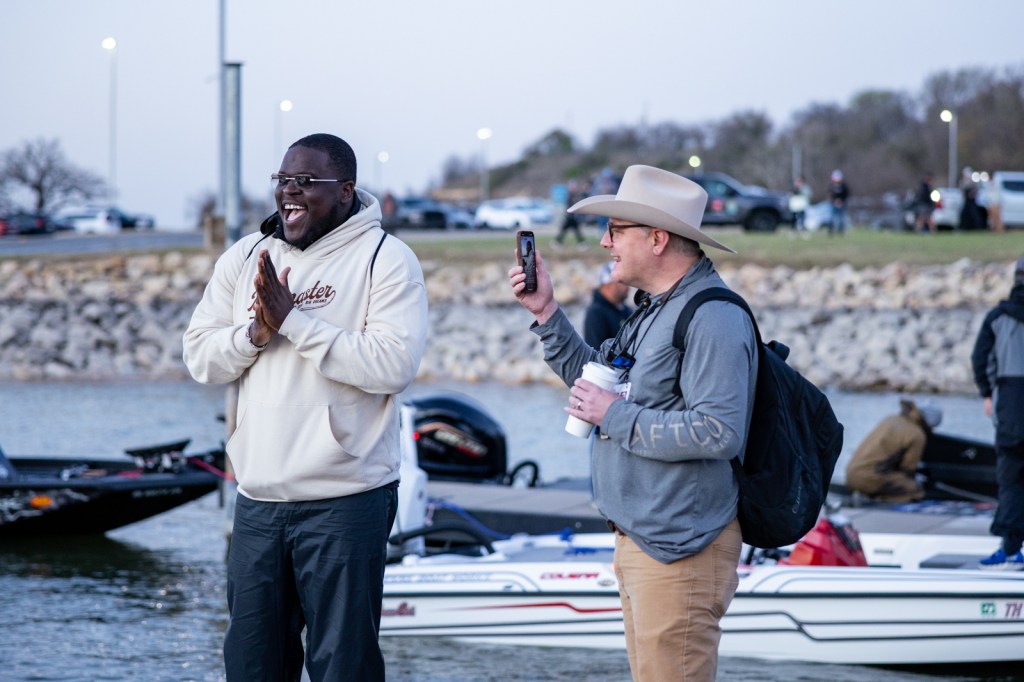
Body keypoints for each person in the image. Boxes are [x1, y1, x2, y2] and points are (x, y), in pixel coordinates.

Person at [182, 133, 429, 680]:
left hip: (347, 501)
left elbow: (393, 365)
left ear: (345, 190)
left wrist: (294, 322)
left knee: (343, 667)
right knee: (252, 666)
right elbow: (200, 358)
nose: (289, 190)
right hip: (258, 501)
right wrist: (254, 333)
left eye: (305, 181)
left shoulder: (385, 258)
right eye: (283, 180)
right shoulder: (245, 256)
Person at [509, 164, 757, 681]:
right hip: (645, 542)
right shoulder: (653, 309)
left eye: (615, 230)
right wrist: (546, 312)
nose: (605, 243)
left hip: (680, 551)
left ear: (657, 239)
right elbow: (595, 382)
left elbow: (719, 431)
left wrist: (613, 415)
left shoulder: (713, 316)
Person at [970, 256, 1024, 570]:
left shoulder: (997, 318)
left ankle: (1010, 548)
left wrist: (987, 393)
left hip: (1011, 407)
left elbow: (980, 359)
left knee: (1012, 478)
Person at [844, 399, 943, 503]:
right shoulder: (917, 434)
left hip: (851, 474)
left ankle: (866, 493)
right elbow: (908, 470)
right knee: (915, 489)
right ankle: (876, 500)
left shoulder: (891, 419)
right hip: (868, 479)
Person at [583, 261, 633, 347]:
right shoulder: (595, 313)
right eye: (623, 282)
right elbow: (595, 349)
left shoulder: (626, 310)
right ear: (608, 284)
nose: (628, 287)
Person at [553, 180, 588, 249]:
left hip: (573, 217)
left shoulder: (575, 195)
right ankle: (557, 242)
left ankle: (558, 242)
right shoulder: (570, 195)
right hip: (570, 216)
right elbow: (571, 204)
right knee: (566, 230)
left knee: (574, 231)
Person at [828, 169, 849, 236]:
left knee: (841, 218)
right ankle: (831, 231)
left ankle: (840, 231)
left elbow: (846, 194)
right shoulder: (832, 186)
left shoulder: (844, 186)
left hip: (842, 204)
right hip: (833, 204)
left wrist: (840, 201)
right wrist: (834, 201)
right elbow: (830, 194)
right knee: (831, 217)